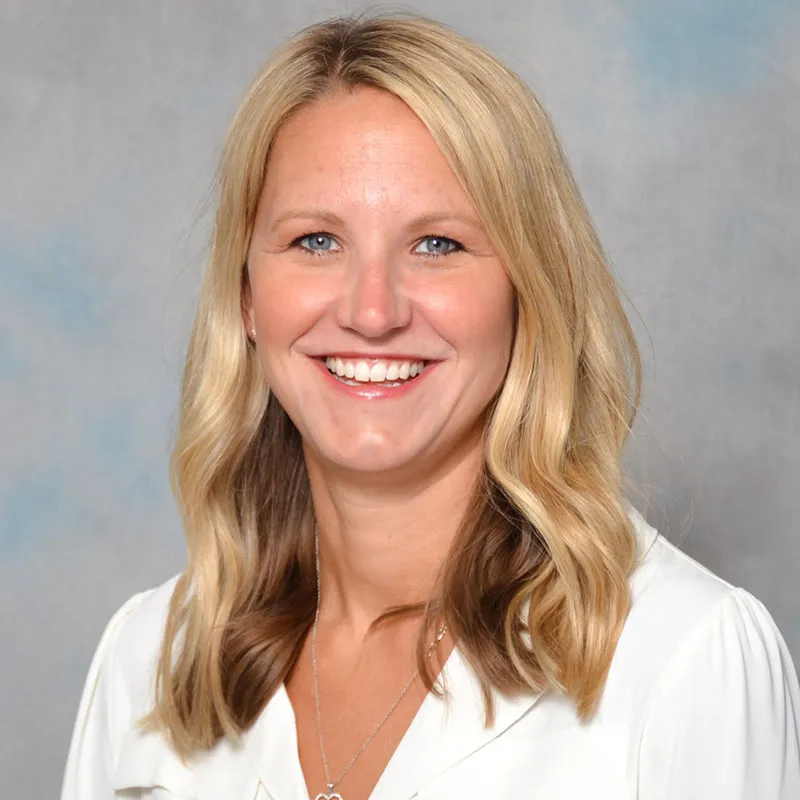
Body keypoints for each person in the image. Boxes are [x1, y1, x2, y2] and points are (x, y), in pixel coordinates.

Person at [61, 11, 800, 800]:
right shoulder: (153, 659)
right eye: (316, 241)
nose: (371, 312)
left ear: (530, 293)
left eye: (437, 245)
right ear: (246, 296)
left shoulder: (683, 657)